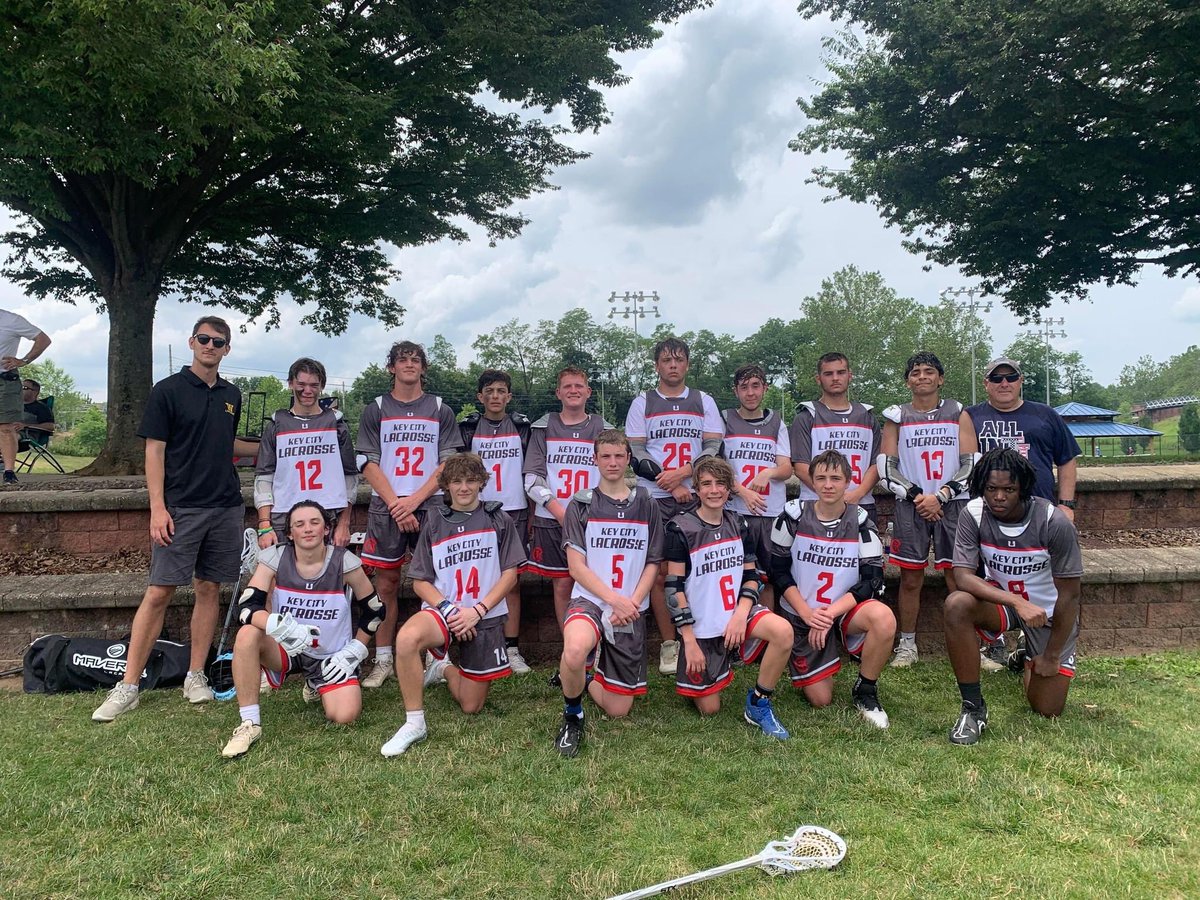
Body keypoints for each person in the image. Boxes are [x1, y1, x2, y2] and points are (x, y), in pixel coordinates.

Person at [93, 316, 260, 722]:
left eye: (218, 341)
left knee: (209, 588)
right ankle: (128, 685)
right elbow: (154, 451)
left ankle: (195, 675)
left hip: (225, 506)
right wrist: (158, 507)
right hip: (180, 508)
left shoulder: (231, 394)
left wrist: (277, 442)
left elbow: (227, 442)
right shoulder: (167, 390)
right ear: (191, 342)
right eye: (204, 339)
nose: (210, 346)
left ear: (227, 349)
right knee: (159, 592)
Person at [381, 453, 526, 756]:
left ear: (482, 482)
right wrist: (449, 610)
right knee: (406, 639)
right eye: (457, 481)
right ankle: (414, 722)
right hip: (445, 610)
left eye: (471, 480)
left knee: (471, 705)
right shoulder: (434, 521)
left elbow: (510, 575)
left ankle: (443, 667)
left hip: (483, 615)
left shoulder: (498, 519)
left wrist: (477, 611)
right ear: (446, 485)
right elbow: (420, 581)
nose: (464, 487)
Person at [220, 500, 384, 758]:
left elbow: (375, 610)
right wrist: (279, 626)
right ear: (289, 533)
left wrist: (356, 649)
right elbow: (247, 607)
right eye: (299, 524)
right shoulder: (275, 558)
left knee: (345, 715)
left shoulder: (344, 561)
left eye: (314, 522)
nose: (307, 529)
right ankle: (249, 723)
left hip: (330, 655)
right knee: (247, 634)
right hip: (287, 647)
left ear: (326, 529)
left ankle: (316, 684)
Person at [942, 448, 1083, 745]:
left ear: (1023, 489)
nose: (999, 497)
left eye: (1009, 489)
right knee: (957, 604)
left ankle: (1026, 654)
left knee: (1047, 709)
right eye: (991, 488)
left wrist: (1052, 655)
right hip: (1005, 604)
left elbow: (1070, 597)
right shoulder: (974, 513)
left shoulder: (1054, 522)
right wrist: (1017, 602)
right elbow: (963, 576)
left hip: (1048, 613)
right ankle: (973, 708)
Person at [355, 341, 462, 689]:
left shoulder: (440, 409)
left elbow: (448, 463)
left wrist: (413, 501)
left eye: (416, 360)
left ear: (423, 368)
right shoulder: (376, 409)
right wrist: (397, 504)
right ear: (392, 367)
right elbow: (366, 461)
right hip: (387, 506)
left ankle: (436, 658)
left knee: (434, 582)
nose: (410, 365)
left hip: (429, 505)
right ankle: (383, 659)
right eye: (403, 360)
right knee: (385, 583)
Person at [665, 457, 794, 739]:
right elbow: (674, 589)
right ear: (697, 489)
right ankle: (706, 669)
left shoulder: (739, 523)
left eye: (720, 484)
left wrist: (740, 614)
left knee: (783, 631)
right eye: (706, 484)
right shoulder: (680, 528)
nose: (714, 490)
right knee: (710, 709)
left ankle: (759, 702)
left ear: (729, 489)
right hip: (701, 627)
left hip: (736, 614)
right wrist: (689, 641)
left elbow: (752, 576)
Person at [554, 429, 664, 757]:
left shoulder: (646, 502)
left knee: (618, 710)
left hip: (630, 605)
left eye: (619, 456)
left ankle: (586, 677)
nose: (612, 462)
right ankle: (572, 715)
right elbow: (576, 568)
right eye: (606, 456)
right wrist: (613, 599)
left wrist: (631, 602)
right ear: (595, 459)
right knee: (575, 649)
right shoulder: (581, 504)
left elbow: (653, 562)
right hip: (590, 599)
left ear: (628, 459)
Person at [967, 357, 1081, 670]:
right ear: (986, 383)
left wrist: (1066, 504)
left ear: (1020, 381)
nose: (1004, 383)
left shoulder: (1045, 414)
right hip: (990, 514)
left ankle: (1036, 644)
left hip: (1039, 514)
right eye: (996, 378)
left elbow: (1067, 459)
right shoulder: (972, 416)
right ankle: (994, 644)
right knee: (988, 576)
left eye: (1011, 377)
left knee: (1043, 579)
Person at [769, 449, 894, 729]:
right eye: (821, 478)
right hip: (803, 614)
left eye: (835, 478)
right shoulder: (792, 516)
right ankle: (810, 656)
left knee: (883, 617)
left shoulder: (860, 521)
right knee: (821, 699)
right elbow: (777, 571)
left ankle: (866, 690)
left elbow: (872, 580)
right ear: (811, 481)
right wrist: (808, 614)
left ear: (848, 482)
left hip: (842, 610)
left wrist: (828, 615)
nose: (828, 485)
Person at [624, 337, 723, 675]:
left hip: (695, 496)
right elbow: (636, 454)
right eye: (666, 360)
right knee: (658, 573)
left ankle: (701, 636)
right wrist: (671, 482)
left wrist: (684, 474)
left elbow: (713, 447)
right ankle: (669, 644)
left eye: (679, 360)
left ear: (687, 364)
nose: (673, 365)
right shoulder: (643, 402)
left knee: (699, 571)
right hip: (656, 498)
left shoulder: (704, 400)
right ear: (657, 366)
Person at [878, 352, 978, 667]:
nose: (922, 376)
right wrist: (920, 497)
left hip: (953, 504)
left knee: (958, 577)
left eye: (929, 371)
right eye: (916, 372)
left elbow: (971, 463)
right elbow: (886, 468)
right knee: (910, 578)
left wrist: (942, 496)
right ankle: (907, 645)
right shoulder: (897, 416)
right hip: (913, 505)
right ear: (908, 381)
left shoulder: (958, 412)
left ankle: (967, 643)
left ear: (940, 378)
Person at [522, 366, 610, 630]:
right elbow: (532, 479)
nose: (573, 390)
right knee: (562, 584)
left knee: (595, 581)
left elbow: (613, 472)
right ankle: (569, 642)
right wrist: (561, 513)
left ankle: (596, 640)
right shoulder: (543, 426)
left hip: (593, 519)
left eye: (578, 386)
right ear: (558, 392)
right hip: (552, 518)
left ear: (588, 392)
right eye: (567, 386)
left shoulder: (602, 428)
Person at [459, 369, 533, 674]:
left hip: (515, 510)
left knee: (511, 580)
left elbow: (531, 470)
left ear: (509, 396)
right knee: (475, 577)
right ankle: (475, 643)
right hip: (478, 511)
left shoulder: (522, 426)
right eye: (489, 391)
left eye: (501, 391)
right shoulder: (468, 428)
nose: (495, 396)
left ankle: (512, 648)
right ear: (480, 396)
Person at [254, 357, 358, 550]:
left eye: (313, 385)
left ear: (322, 386)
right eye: (301, 384)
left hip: (328, 514)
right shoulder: (276, 425)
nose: (307, 390)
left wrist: (344, 524)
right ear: (291, 383)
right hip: (284, 515)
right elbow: (264, 477)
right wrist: (264, 525)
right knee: (281, 568)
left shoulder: (336, 424)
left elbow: (350, 477)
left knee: (328, 569)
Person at [720, 364, 793, 610]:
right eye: (744, 387)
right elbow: (716, 467)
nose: (750, 393)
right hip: (735, 511)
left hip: (769, 512)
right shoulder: (725, 420)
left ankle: (766, 628)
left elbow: (786, 468)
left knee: (768, 578)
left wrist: (768, 472)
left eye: (755, 386)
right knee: (736, 576)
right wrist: (743, 492)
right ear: (735, 391)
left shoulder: (777, 423)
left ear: (765, 388)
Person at [789, 352, 881, 521]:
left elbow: (876, 464)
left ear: (850, 376)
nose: (835, 378)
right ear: (818, 379)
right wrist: (834, 497)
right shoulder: (806, 416)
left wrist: (858, 493)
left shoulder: (867, 416)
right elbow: (801, 467)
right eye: (828, 374)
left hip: (861, 503)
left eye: (841, 372)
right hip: (817, 504)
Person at [1, 308, 51, 484]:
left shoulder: (11, 320)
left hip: (4, 381)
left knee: (5, 427)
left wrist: (24, 360)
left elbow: (43, 339)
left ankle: (8, 472)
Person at [20, 378, 55, 445]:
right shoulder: (13, 405)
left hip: (27, 435)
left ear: (35, 392)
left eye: (24, 388)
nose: (20, 390)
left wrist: (26, 426)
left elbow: (50, 426)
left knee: (8, 436)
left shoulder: (42, 408)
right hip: (6, 430)